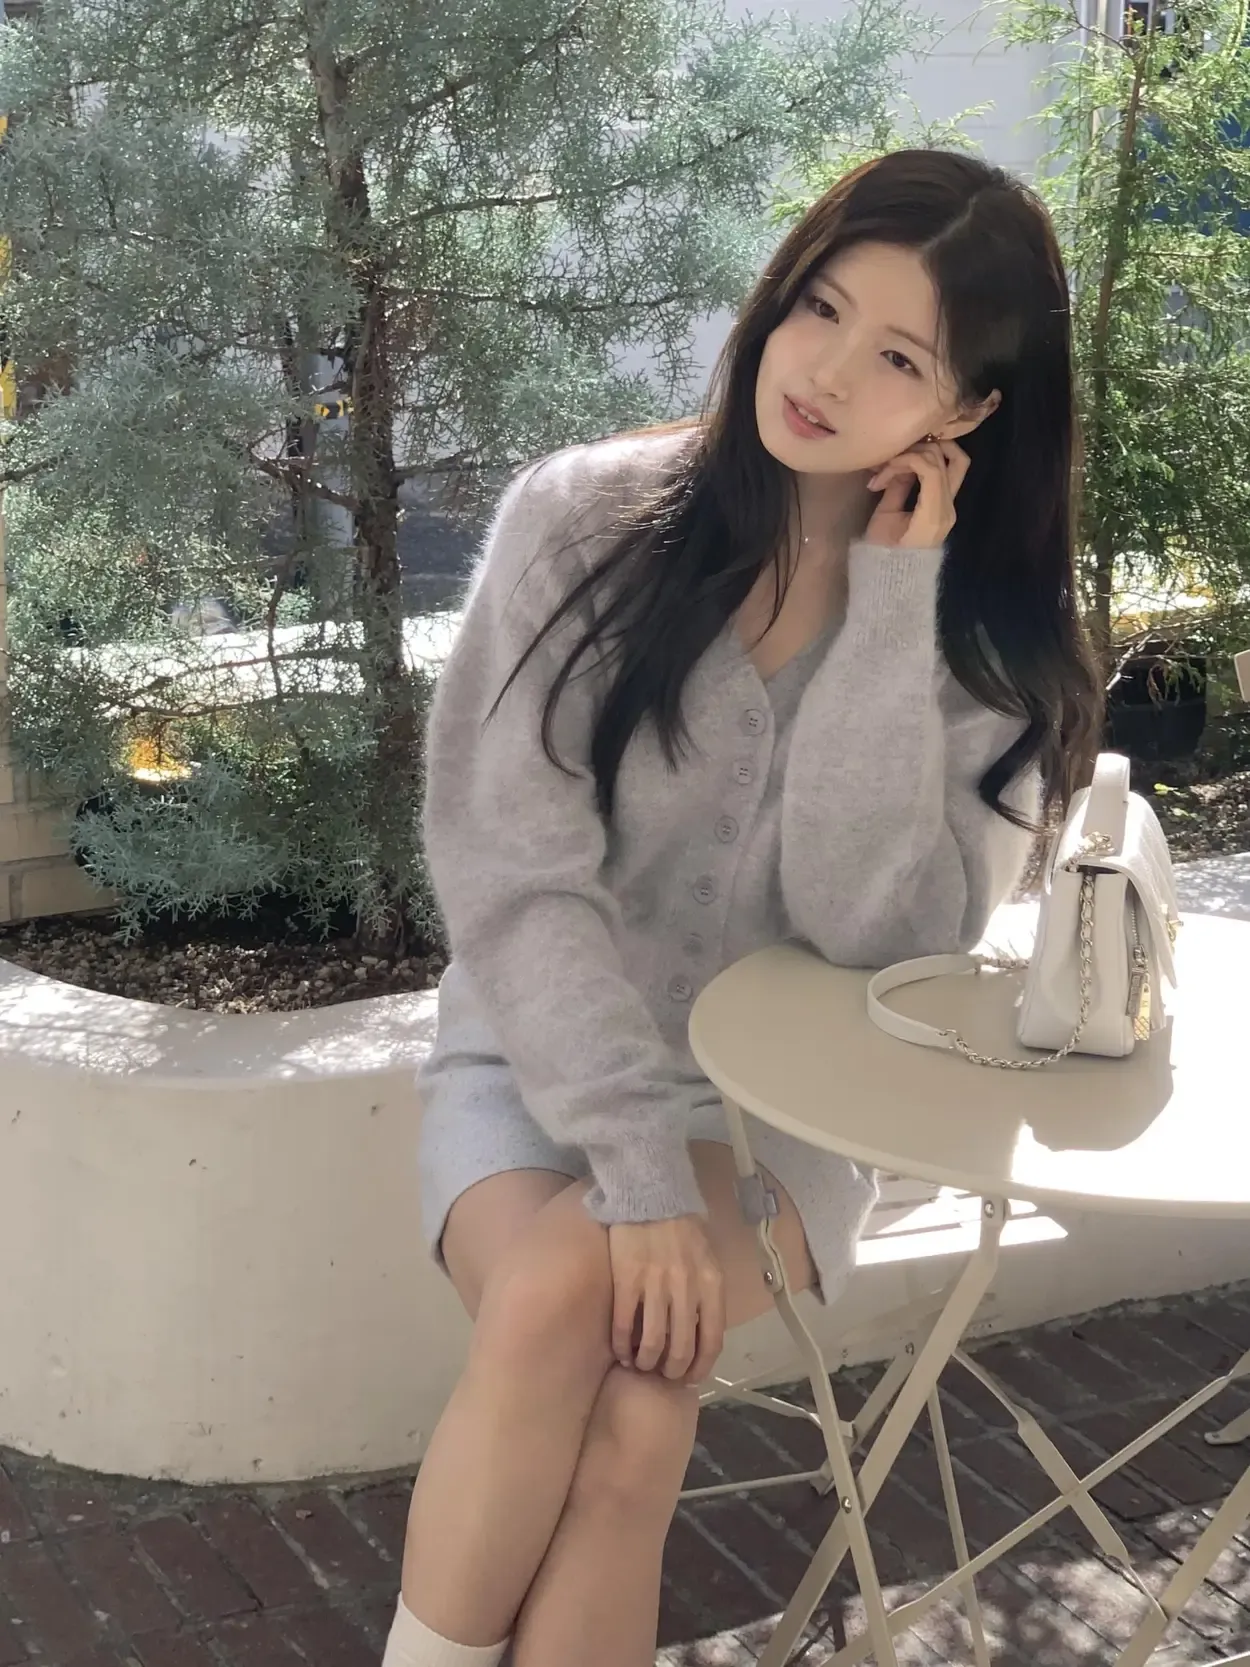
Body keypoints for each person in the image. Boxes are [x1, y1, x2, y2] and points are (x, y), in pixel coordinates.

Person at [382, 148, 1102, 1667]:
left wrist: (890, 610)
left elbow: (874, 936)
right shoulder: (583, 521)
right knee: (618, 1392)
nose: (825, 372)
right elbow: (511, 869)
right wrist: (637, 1168)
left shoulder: (981, 642)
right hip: (539, 1060)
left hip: (787, 1111)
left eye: (898, 356)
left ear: (970, 411)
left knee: (587, 1335)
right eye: (819, 308)